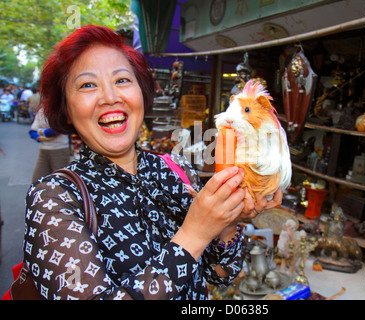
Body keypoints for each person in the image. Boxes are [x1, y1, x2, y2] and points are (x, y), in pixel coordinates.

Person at [23, 25, 283, 300]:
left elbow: (219, 275)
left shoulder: (176, 170)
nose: (110, 97)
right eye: (88, 85)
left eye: (122, 80)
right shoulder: (54, 198)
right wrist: (193, 234)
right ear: (66, 109)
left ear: (142, 94)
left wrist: (229, 222)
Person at [29, 107, 71, 182]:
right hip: (43, 151)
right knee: (36, 182)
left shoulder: (62, 110)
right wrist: (39, 137)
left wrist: (39, 131)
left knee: (61, 182)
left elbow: (55, 130)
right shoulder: (41, 111)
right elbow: (32, 132)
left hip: (60, 150)